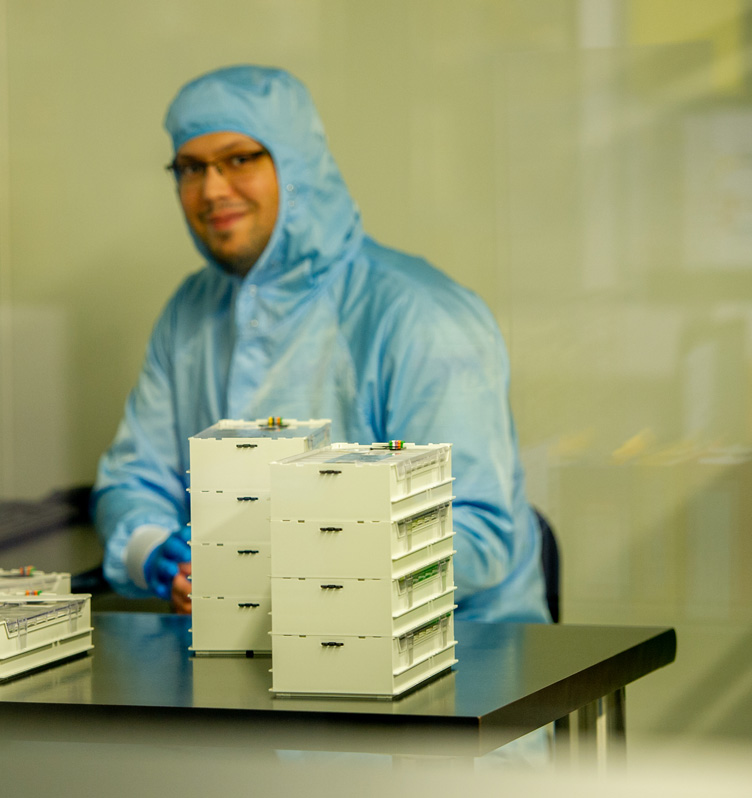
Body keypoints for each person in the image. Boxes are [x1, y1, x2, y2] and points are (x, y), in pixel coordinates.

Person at [92, 65, 549, 624]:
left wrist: (319, 568)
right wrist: (152, 552)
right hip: (254, 657)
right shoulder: (190, 311)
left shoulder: (419, 315)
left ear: (297, 166)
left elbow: (478, 533)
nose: (211, 190)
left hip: (454, 663)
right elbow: (133, 477)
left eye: (240, 158)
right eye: (190, 168)